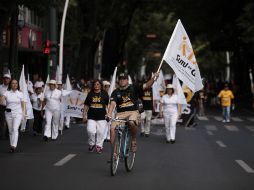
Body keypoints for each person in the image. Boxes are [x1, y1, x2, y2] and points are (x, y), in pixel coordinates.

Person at [106, 73, 140, 152]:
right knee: (112, 129)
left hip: (132, 112)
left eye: (124, 79)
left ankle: (134, 140)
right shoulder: (115, 92)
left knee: (131, 122)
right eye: (120, 79)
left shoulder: (133, 88)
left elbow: (146, 86)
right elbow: (112, 103)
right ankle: (114, 152)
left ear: (127, 80)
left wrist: (153, 79)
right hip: (120, 114)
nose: (122, 80)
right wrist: (109, 113)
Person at [83, 80, 109, 153]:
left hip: (102, 117)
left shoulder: (104, 93)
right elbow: (86, 105)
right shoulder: (90, 94)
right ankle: (92, 144)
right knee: (90, 130)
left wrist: (108, 114)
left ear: (101, 85)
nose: (96, 86)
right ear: (93, 86)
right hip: (91, 116)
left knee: (100, 132)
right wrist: (84, 115)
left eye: (98, 84)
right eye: (95, 84)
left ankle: (99, 146)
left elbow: (108, 105)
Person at [0, 79, 26, 152]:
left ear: (17, 85)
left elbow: (23, 103)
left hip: (18, 113)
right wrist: (1, 99)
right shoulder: (7, 93)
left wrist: (24, 113)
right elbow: (2, 98)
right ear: (10, 85)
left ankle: (14, 145)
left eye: (16, 83)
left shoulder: (20, 93)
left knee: (15, 129)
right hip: (8, 114)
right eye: (13, 83)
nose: (14, 85)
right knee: (10, 130)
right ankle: (12, 146)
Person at [139, 73, 159, 137]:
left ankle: (147, 132)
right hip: (142, 106)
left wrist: (153, 105)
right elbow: (139, 98)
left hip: (149, 106)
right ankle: (142, 130)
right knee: (142, 118)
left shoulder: (152, 88)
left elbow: (154, 97)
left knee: (148, 120)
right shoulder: (142, 87)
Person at [0, 73, 11, 139]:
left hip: (9, 106)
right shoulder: (0, 87)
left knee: (8, 120)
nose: (6, 80)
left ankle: (8, 134)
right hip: (1, 106)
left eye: (7, 78)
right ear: (3, 79)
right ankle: (1, 134)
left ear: (10, 80)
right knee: (1, 120)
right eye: (5, 78)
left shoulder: (11, 88)